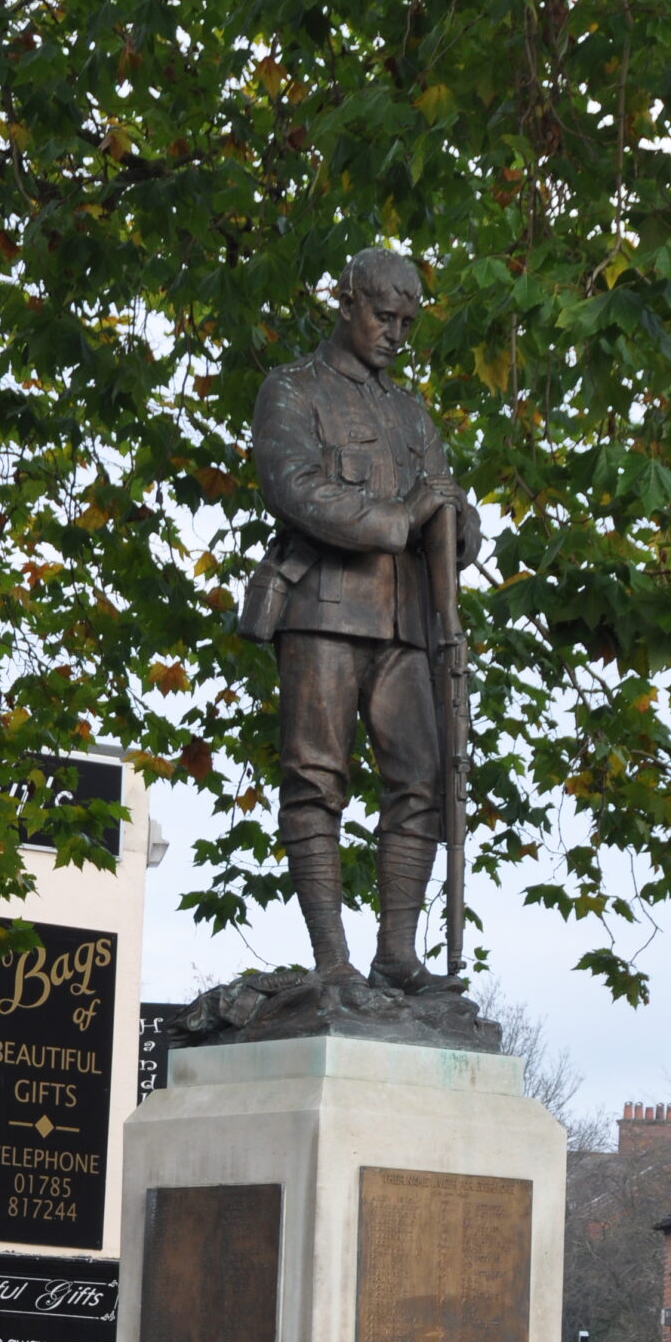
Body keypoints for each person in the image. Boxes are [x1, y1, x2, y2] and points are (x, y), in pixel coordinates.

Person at [242, 246, 482, 993]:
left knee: (423, 780)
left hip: (411, 621)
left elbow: (447, 503)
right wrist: (402, 517)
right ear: (345, 302)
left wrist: (459, 524)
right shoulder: (293, 391)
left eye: (408, 323)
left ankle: (397, 955)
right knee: (316, 780)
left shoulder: (412, 414)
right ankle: (332, 962)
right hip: (324, 609)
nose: (396, 335)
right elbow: (299, 490)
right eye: (384, 317)